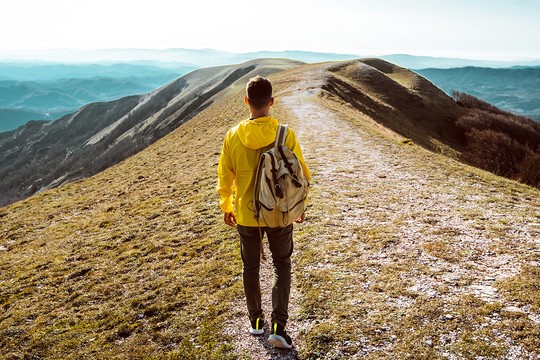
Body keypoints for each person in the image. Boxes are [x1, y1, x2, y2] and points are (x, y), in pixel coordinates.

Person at [217, 75, 310, 349]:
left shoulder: (233, 136)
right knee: (282, 265)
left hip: (246, 214)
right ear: (271, 102)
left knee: (250, 267)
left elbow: (225, 177)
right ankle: (279, 327)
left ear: (246, 101)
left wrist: (227, 206)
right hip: (279, 213)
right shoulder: (285, 134)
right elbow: (302, 174)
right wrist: (299, 207)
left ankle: (256, 322)